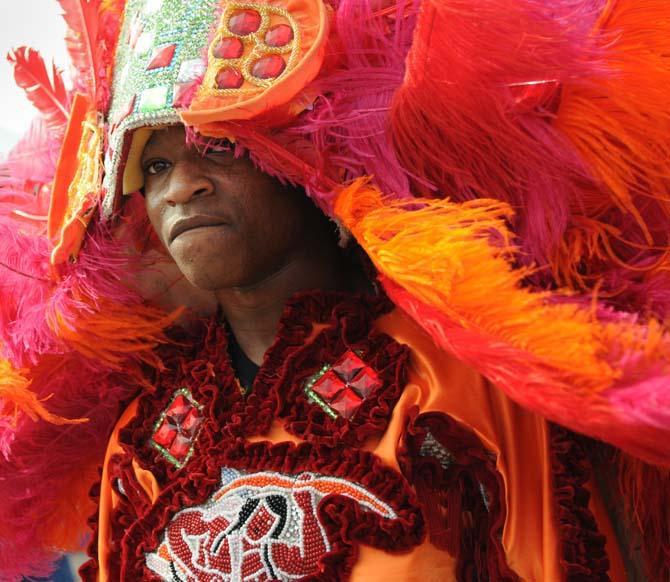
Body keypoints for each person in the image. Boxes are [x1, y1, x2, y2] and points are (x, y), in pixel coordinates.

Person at [0, 0, 669, 580]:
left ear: (305, 161)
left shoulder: (451, 380)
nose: (181, 186)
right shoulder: (149, 436)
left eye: (220, 146)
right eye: (157, 164)